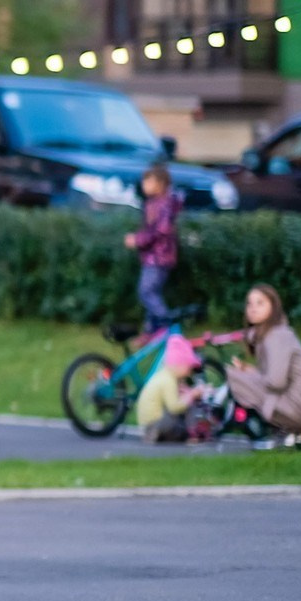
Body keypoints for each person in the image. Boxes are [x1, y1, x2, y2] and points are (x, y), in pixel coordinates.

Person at [227, 284, 301, 441]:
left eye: (260, 303)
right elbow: (275, 376)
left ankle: (252, 421)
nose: (253, 308)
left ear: (273, 307)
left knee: (231, 375)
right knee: (241, 375)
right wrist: (251, 371)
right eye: (249, 303)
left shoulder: (276, 336)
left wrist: (249, 378)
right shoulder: (270, 334)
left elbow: (276, 382)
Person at [124, 165, 179, 331]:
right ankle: (152, 331)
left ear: (161, 184)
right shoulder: (153, 203)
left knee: (146, 292)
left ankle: (168, 327)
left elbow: (160, 231)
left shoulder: (164, 205)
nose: (144, 184)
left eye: (149, 181)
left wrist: (137, 240)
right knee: (151, 293)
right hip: (151, 257)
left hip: (159, 258)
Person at [136, 334, 202, 444]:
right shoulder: (169, 381)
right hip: (156, 424)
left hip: (147, 424)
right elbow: (174, 407)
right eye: (188, 368)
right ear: (179, 364)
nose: (189, 373)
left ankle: (157, 434)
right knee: (181, 423)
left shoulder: (162, 375)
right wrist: (190, 395)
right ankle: (189, 434)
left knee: (177, 415)